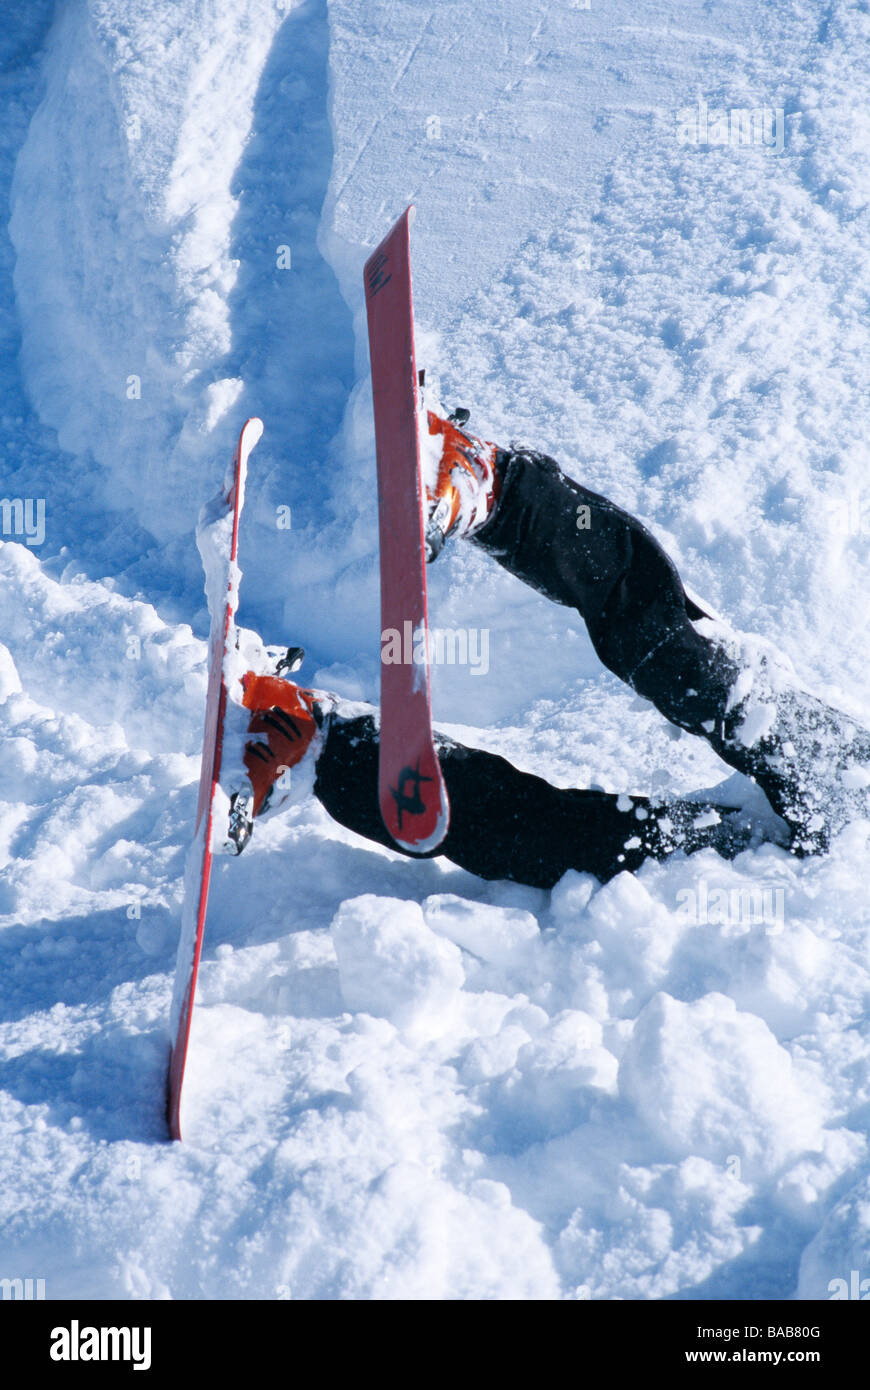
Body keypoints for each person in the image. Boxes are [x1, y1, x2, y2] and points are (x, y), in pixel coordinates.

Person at [227, 405, 870, 888]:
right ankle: (489, 484)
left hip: (795, 874)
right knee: (684, 667)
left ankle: (313, 743)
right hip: (853, 791)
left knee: (555, 849)